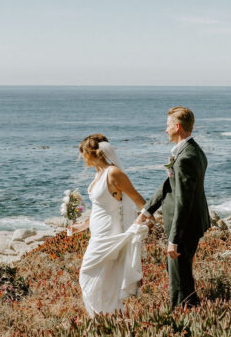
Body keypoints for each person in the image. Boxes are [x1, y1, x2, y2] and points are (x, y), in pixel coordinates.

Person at [137, 107, 210, 308]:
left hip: (184, 228)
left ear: (177, 127)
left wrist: (174, 240)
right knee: (181, 276)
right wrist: (146, 210)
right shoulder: (190, 150)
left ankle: (179, 318)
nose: (165, 130)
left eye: (168, 126)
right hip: (189, 225)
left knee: (178, 282)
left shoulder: (186, 157)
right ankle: (194, 313)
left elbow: (183, 202)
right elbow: (169, 185)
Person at [73, 134, 149, 317]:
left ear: (92, 153)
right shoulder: (99, 173)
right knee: (105, 280)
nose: (82, 157)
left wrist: (140, 220)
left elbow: (140, 202)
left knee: (87, 274)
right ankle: (109, 319)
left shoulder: (113, 173)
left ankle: (105, 317)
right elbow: (100, 207)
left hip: (109, 233)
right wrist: (83, 225)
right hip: (97, 233)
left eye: (83, 153)